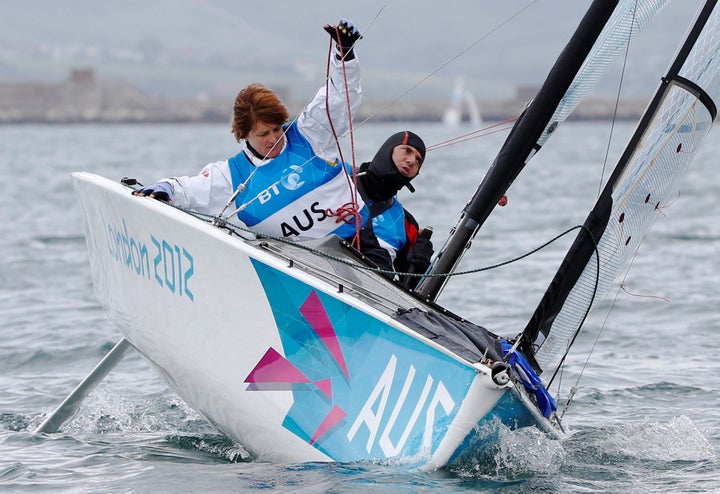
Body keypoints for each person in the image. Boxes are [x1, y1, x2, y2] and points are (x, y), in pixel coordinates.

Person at [133, 19, 367, 241]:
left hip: (360, 241)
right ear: (243, 135)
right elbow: (188, 191)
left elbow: (339, 97)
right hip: (303, 266)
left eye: (277, 129)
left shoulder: (307, 134)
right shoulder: (231, 176)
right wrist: (166, 188)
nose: (274, 138)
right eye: (263, 134)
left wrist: (344, 54)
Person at [356, 130, 434, 288]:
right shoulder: (340, 177)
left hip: (368, 296)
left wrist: (420, 265)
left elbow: (412, 292)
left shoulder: (407, 224)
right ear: (388, 150)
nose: (412, 160)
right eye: (407, 151)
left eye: (418, 160)